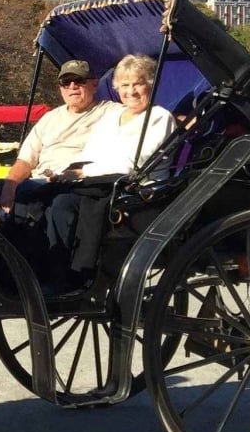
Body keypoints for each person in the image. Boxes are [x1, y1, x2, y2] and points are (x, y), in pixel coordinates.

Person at [45, 53, 178, 280]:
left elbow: (133, 163)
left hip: (137, 191)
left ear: (150, 85)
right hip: (102, 182)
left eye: (138, 84)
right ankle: (48, 269)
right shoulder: (112, 116)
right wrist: (64, 172)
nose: (131, 91)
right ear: (117, 88)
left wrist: (83, 172)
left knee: (65, 203)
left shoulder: (159, 117)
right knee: (47, 199)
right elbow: (90, 152)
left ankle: (77, 273)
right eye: (125, 85)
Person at [0, 59, 118, 213]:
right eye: (66, 82)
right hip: (39, 180)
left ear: (94, 85)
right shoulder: (50, 118)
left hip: (74, 184)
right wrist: (10, 186)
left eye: (79, 80)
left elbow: (137, 110)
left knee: (51, 203)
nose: (72, 86)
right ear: (61, 88)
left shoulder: (111, 112)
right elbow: (26, 160)